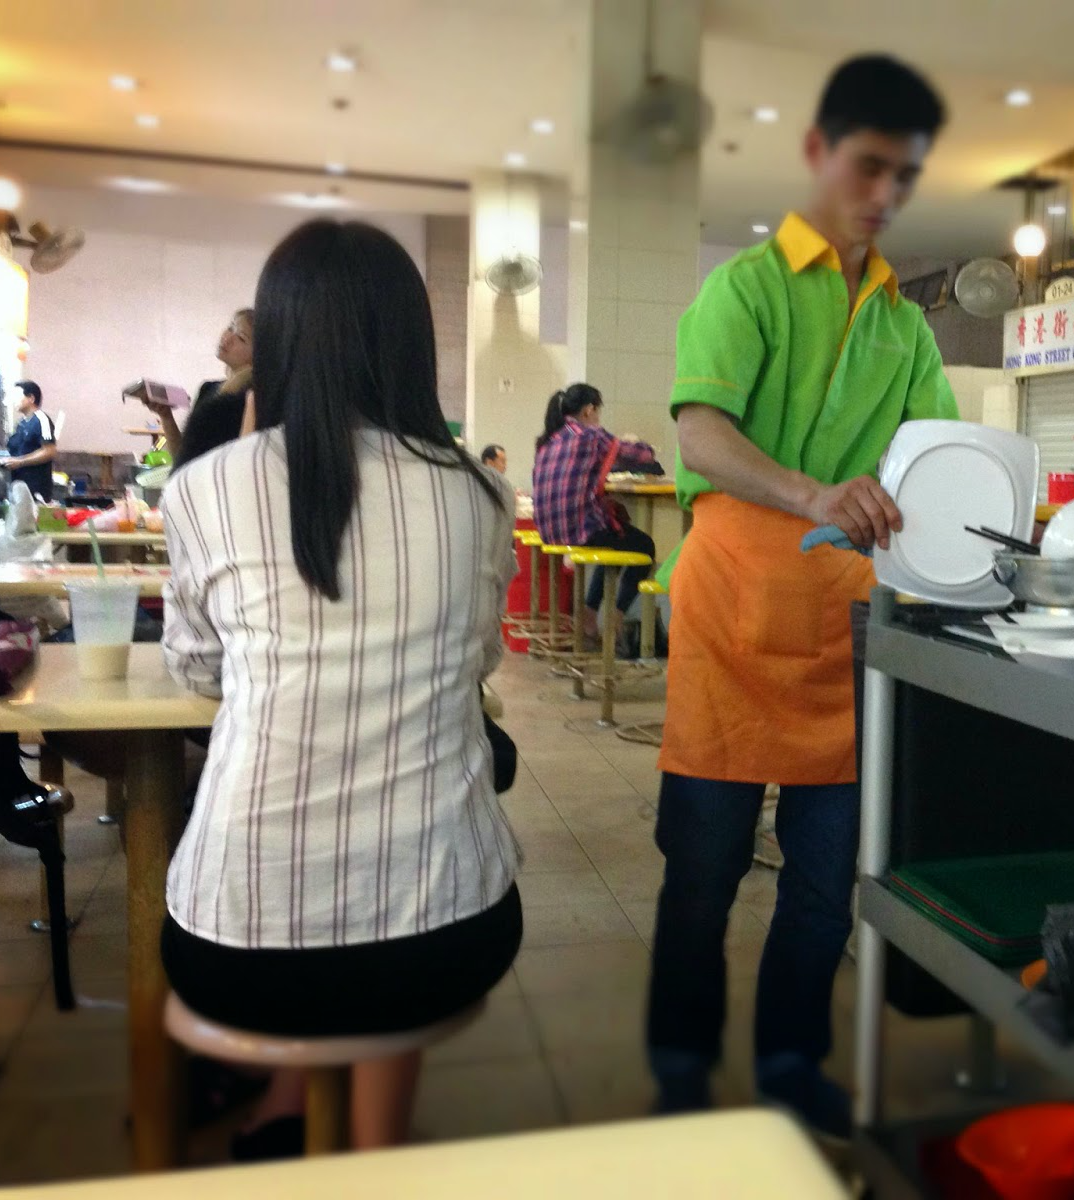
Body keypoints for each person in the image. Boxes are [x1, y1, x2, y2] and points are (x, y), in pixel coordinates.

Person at [158, 219, 522, 1157]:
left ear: (274, 341)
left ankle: (289, 1114)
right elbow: (480, 660)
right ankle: (367, 1147)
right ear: (411, 343)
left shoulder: (203, 487)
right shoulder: (481, 496)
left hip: (237, 946)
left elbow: (195, 670)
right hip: (446, 936)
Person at [646, 55, 955, 1137]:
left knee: (825, 883)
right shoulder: (746, 287)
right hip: (731, 611)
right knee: (702, 871)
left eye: (903, 176)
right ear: (820, 153)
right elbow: (700, 434)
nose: (884, 193)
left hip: (846, 625)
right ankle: (680, 1063)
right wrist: (815, 492)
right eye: (868, 165)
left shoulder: (906, 327)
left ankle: (787, 1061)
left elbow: (935, 458)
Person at [531, 383, 658, 642]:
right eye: (598, 411)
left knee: (616, 539)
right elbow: (643, 455)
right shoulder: (590, 435)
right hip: (578, 530)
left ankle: (589, 614)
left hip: (549, 532)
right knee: (644, 546)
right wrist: (637, 443)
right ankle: (616, 617)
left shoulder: (549, 441)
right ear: (589, 410)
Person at [140, 308, 254, 468]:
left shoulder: (250, 399)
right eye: (230, 328)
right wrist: (166, 416)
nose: (228, 338)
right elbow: (183, 459)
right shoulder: (208, 389)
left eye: (241, 338)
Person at [0, 380, 57, 500]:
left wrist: (20, 462)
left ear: (31, 398)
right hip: (19, 485)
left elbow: (49, 451)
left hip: (36, 488)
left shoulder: (42, 420)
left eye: (17, 396)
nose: (14, 400)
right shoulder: (21, 423)